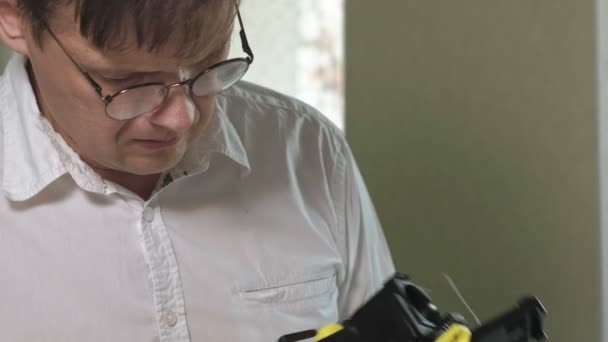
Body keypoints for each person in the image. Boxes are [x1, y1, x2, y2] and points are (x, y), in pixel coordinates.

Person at [0, 0, 395, 340]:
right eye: (126, 81)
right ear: (13, 16)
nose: (180, 118)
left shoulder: (310, 150)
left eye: (207, 64)